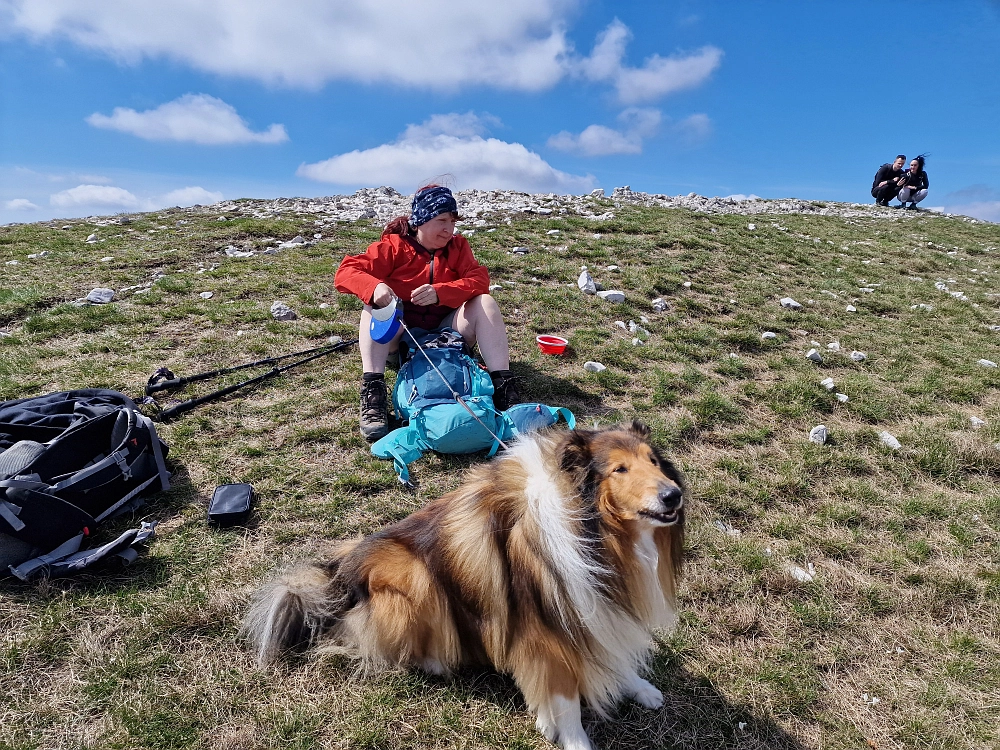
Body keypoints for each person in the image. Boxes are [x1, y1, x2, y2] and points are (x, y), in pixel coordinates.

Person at [334, 185, 520, 442]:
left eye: (452, 221)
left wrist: (442, 292)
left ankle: (504, 387)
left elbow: (479, 280)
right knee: (372, 306)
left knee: (484, 302)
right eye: (441, 220)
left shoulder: (457, 248)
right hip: (400, 338)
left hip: (447, 337)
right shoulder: (393, 247)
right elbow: (346, 272)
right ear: (421, 219)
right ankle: (373, 393)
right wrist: (374, 287)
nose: (449, 229)